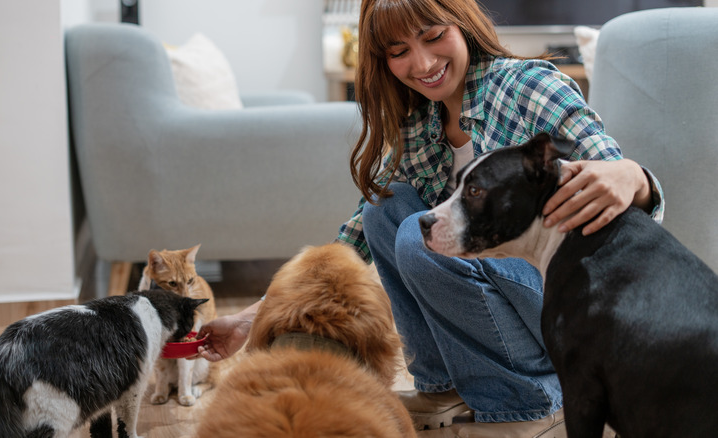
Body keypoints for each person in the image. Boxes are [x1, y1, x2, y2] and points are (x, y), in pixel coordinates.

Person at [197, 0, 664, 436]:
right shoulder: (420, 123)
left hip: (568, 308)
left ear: (461, 22)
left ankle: (532, 401)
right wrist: (252, 317)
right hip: (509, 295)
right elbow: (357, 237)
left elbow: (617, 183)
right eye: (399, 51)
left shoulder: (528, 87)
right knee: (386, 209)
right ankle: (444, 387)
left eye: (433, 36)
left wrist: (632, 175)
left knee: (417, 238)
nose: (421, 64)